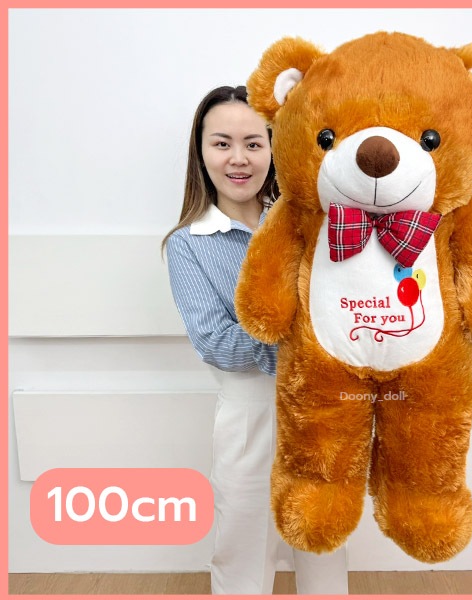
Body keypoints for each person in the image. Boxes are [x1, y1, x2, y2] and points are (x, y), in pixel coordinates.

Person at [163, 85, 348, 595]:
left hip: (320, 411)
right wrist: (305, 344)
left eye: (253, 143)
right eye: (222, 143)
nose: (238, 158)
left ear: (272, 147)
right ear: (201, 152)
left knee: (324, 545)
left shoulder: (308, 223)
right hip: (250, 419)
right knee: (242, 549)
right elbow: (214, 341)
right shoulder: (188, 245)